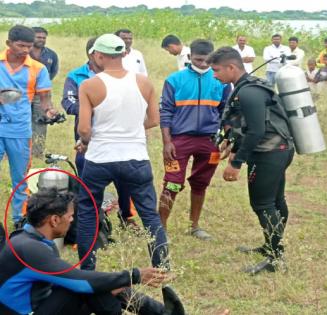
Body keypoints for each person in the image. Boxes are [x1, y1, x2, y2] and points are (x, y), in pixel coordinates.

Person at [0, 188, 185, 315]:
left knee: (101, 284)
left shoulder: (29, 239)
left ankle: (161, 313)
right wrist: (135, 275)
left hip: (41, 303)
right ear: (55, 220)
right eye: (70, 216)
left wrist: (118, 281)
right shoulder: (30, 249)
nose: (72, 220)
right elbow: (81, 283)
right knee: (92, 286)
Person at [75, 34, 168, 270]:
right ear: (124, 53)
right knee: (149, 215)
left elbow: (84, 128)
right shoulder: (144, 83)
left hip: (99, 159)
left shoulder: (89, 85)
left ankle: (87, 269)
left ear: (97, 55)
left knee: (88, 211)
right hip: (136, 158)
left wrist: (86, 140)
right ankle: (162, 267)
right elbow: (154, 120)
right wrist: (132, 127)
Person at [207, 47, 294, 275]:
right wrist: (233, 143)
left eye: (216, 70)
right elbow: (248, 126)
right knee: (275, 200)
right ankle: (271, 246)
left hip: (270, 153)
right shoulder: (250, 86)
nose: (214, 75)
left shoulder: (249, 92)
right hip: (278, 150)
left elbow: (256, 131)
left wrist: (235, 164)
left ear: (231, 67)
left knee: (263, 204)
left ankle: (274, 258)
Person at [158, 39, 231, 240]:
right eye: (199, 59)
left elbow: (226, 111)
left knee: (201, 183)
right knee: (172, 184)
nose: (203, 64)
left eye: (208, 60)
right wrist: (167, 142)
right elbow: (165, 112)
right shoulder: (174, 80)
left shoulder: (221, 81)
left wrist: (227, 138)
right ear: (190, 57)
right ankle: (160, 228)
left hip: (210, 143)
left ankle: (195, 225)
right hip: (179, 141)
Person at [61, 37, 137, 227]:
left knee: (124, 177)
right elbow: (68, 103)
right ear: (94, 54)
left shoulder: (123, 76)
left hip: (117, 137)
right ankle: (92, 219)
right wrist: (95, 108)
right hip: (87, 138)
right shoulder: (76, 76)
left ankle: (126, 215)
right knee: (86, 176)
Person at [0, 25, 57, 227]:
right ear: (9, 43)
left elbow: (44, 100)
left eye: (28, 46)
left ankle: (19, 220)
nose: (25, 50)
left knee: (20, 179)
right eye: (20, 45)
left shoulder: (38, 69)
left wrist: (50, 111)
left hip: (20, 131)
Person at [29, 27, 59, 158]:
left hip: (42, 94)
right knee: (21, 120)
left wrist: (42, 86)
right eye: (38, 37)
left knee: (41, 122)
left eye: (44, 37)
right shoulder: (24, 52)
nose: (41, 40)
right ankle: (16, 151)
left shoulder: (51, 55)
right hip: (23, 92)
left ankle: (37, 153)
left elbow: (53, 72)